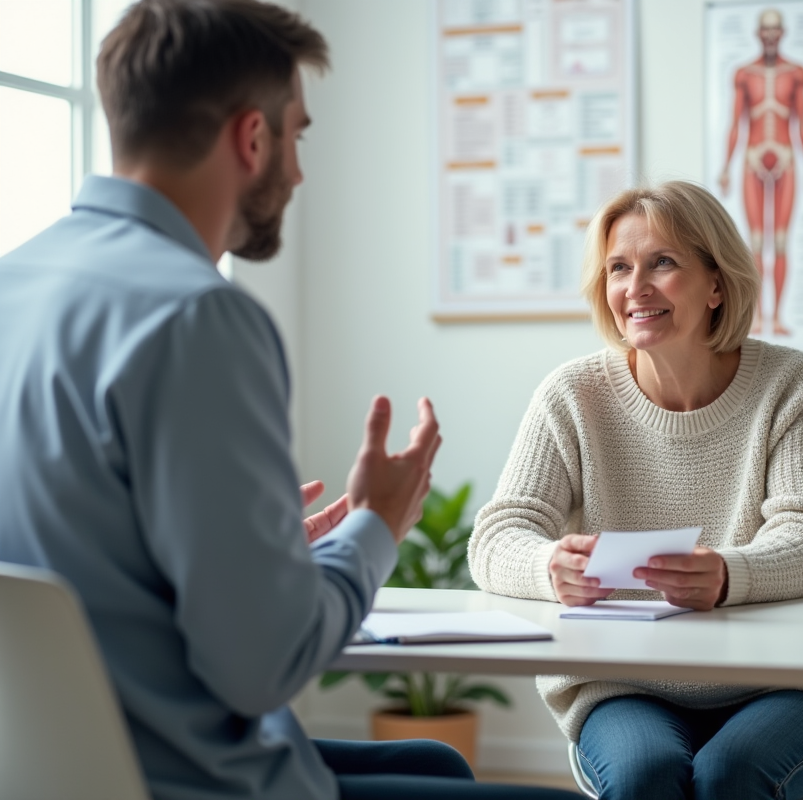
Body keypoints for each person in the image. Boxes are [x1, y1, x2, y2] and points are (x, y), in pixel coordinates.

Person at [0, 2, 579, 800]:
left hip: (54, 772)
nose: (301, 171)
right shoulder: (200, 316)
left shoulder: (14, 285)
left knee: (436, 763)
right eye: (298, 135)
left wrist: (269, 558)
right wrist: (375, 525)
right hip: (194, 780)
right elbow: (263, 664)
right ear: (252, 137)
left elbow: (82, 559)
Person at [469, 181, 803, 800]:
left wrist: (727, 575)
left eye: (662, 263)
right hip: (626, 684)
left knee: (730, 774)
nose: (634, 287)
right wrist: (546, 565)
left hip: (791, 680)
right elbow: (496, 537)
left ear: (717, 284)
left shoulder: (792, 385)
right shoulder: (572, 395)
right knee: (645, 776)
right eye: (619, 268)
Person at [717, 8, 803, 337]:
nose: (771, 36)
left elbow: (802, 121)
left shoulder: (797, 72)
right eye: (766, 30)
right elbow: (736, 122)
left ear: (783, 33)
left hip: (786, 159)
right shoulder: (744, 73)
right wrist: (726, 167)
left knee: (780, 241)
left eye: (776, 30)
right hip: (753, 160)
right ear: (758, 34)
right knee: (757, 242)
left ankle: (777, 318)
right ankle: (761, 317)